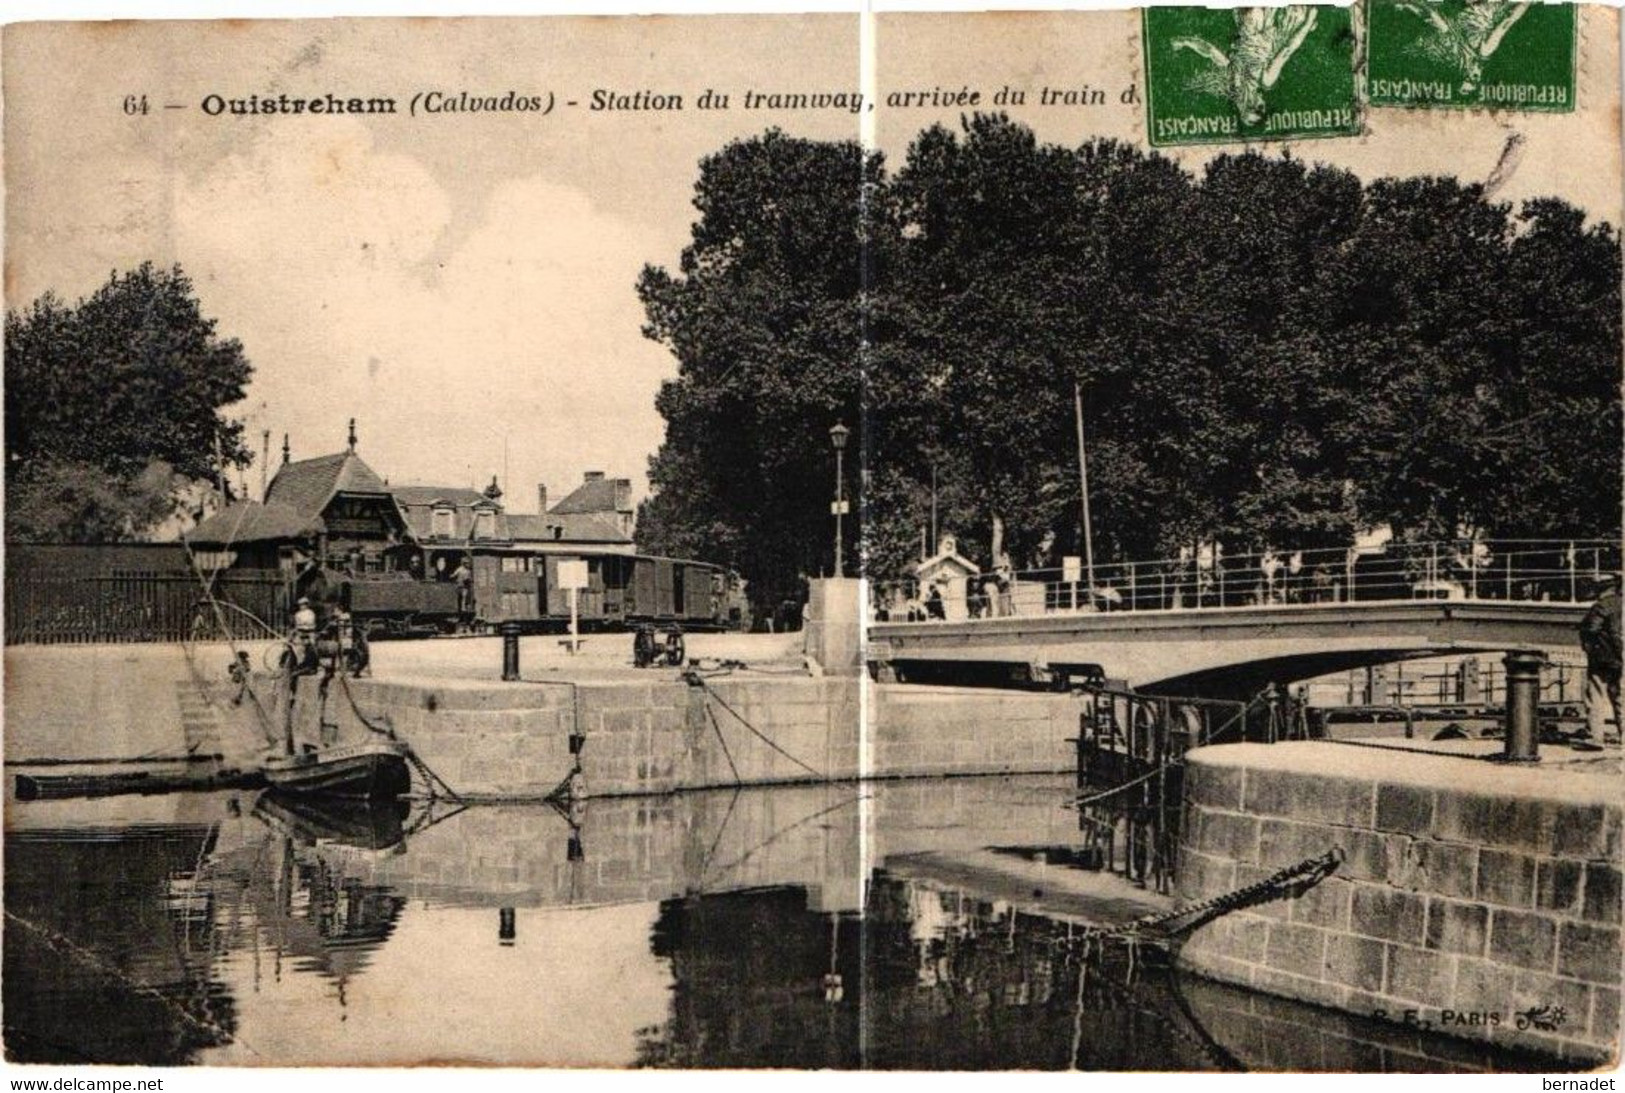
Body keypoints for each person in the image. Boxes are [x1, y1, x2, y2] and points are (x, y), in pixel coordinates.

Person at [1580, 573, 1622, 739]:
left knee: (1596, 695)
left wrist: (1588, 646)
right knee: (1620, 698)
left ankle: (1595, 736)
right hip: (1621, 658)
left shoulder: (1601, 606)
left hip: (1603, 659)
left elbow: (1591, 629)